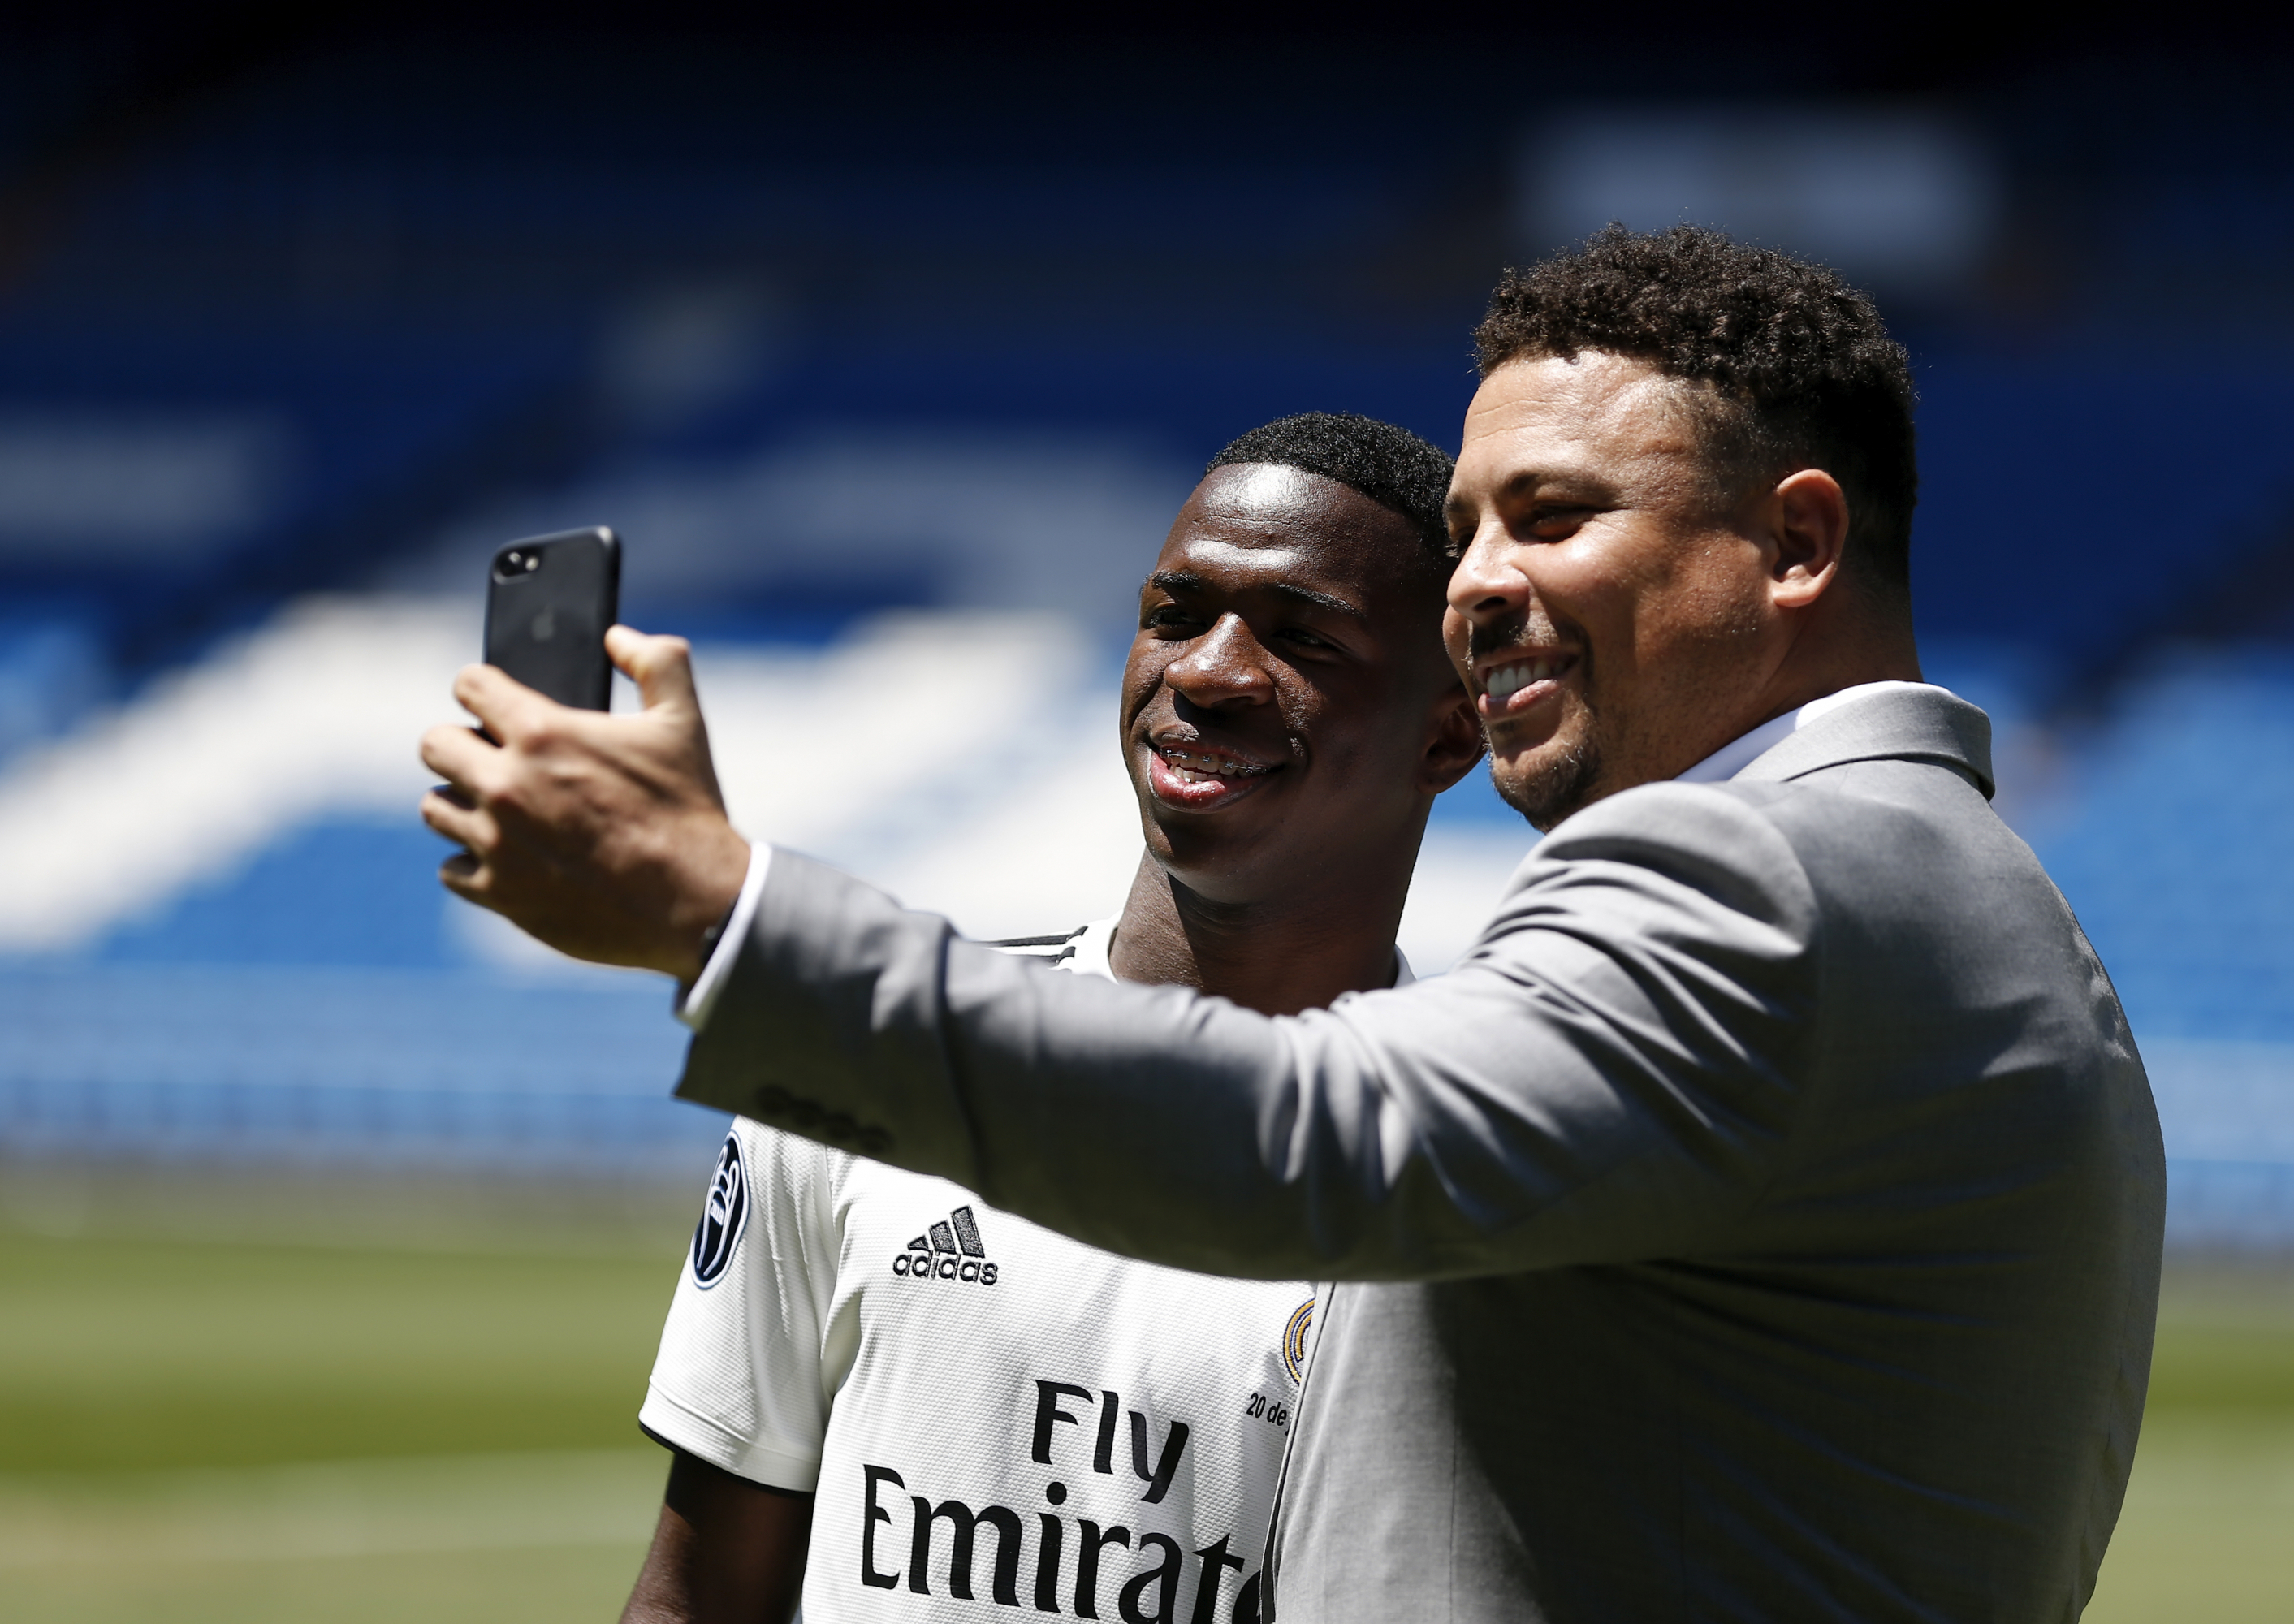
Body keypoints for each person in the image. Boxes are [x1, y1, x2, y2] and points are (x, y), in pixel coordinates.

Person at [422, 227, 2166, 1622]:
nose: (1480, 585)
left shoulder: (1779, 883)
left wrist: (718, 907)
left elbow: (1309, 1132)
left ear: (1793, 544)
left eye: (1553, 517)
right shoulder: (1969, 912)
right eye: (1471, 527)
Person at [615, 413, 1483, 1624]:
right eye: (1174, 615)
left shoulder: (1473, 1175)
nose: (1205, 672)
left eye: (1304, 640)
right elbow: (694, 1599)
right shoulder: (869, 1072)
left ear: (1448, 732)